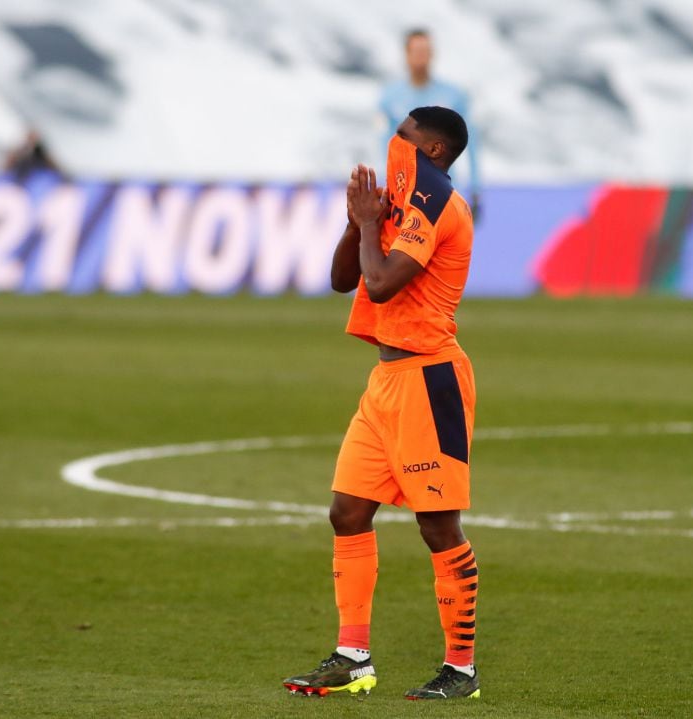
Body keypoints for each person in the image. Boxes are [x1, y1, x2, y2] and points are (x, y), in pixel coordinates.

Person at [281, 106, 480, 701]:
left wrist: (372, 225)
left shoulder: (440, 205)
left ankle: (462, 670)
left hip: (431, 381)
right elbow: (345, 278)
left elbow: (382, 283)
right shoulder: (406, 201)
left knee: (438, 526)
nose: (394, 147)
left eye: (406, 139)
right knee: (347, 511)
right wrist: (354, 223)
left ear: (435, 151)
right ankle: (352, 657)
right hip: (386, 381)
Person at [380, 29, 480, 220]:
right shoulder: (390, 97)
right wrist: (384, 190)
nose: (421, 57)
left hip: (443, 194)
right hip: (403, 196)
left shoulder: (453, 96)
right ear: (406, 55)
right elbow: (383, 145)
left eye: (425, 51)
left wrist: (475, 190)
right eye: (416, 51)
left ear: (433, 54)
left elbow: (472, 144)